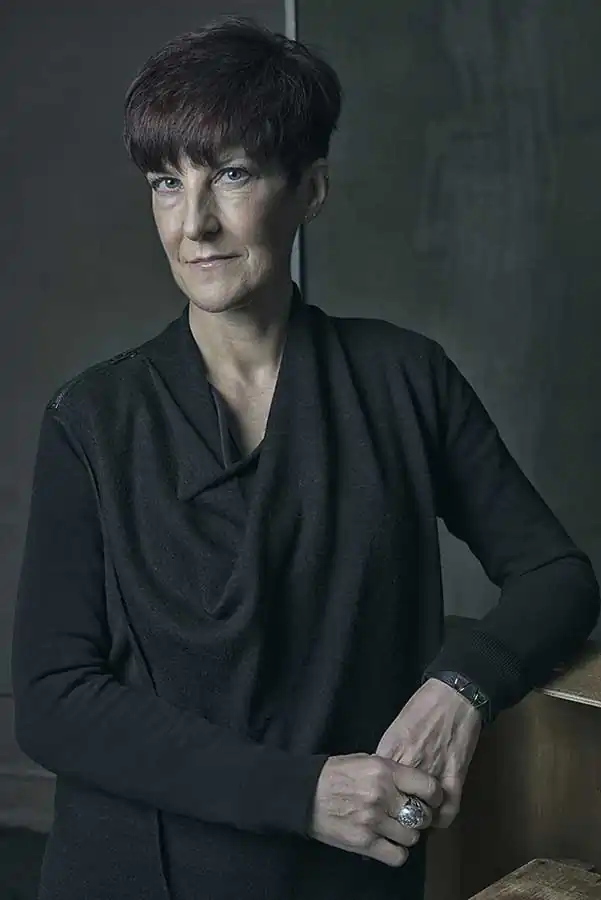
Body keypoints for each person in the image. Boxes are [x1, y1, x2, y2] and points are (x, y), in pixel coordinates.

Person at [11, 16, 600, 900]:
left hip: (346, 877)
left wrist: (461, 687)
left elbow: (555, 576)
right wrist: (300, 792)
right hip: (135, 874)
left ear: (310, 189)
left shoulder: (405, 380)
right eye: (167, 184)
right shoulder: (91, 417)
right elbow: (54, 700)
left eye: (232, 174)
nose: (195, 223)